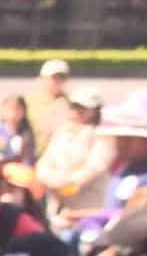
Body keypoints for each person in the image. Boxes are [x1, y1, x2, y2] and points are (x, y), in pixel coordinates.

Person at [37, 85, 113, 223]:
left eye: (82, 107)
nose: (76, 111)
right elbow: (45, 162)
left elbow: (94, 168)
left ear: (95, 110)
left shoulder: (104, 135)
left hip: (86, 210)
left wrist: (65, 183)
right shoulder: (63, 131)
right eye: (73, 106)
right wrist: (50, 179)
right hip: (57, 209)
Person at [100, 97, 147, 215]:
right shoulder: (124, 170)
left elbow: (141, 217)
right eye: (120, 138)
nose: (122, 144)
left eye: (129, 139)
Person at [27, 56, 74, 147]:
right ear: (43, 78)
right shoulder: (30, 101)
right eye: (54, 78)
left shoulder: (71, 102)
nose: (58, 81)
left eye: (62, 78)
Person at [0, 92, 38, 165]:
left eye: (17, 109)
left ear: (23, 112)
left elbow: (29, 159)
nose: (13, 113)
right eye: (9, 109)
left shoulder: (27, 135)